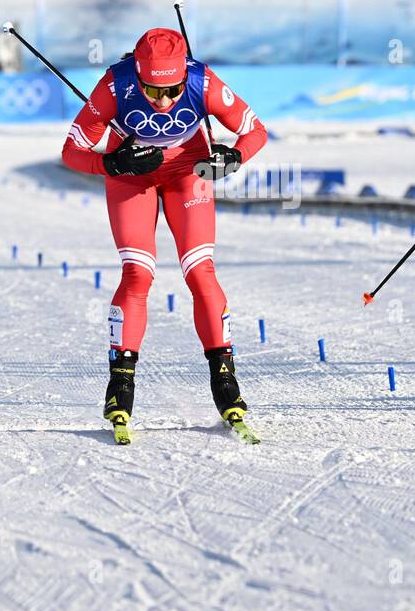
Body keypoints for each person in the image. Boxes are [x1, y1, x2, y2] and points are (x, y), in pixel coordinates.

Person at [61, 28, 269, 444]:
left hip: (187, 173)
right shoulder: (113, 86)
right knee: (137, 275)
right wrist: (113, 164)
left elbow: (256, 132)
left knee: (200, 272)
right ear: (137, 76)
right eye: (152, 92)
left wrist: (233, 155)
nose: (164, 101)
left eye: (172, 90)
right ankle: (120, 386)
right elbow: (71, 152)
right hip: (132, 177)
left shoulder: (202, 82)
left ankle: (225, 381)